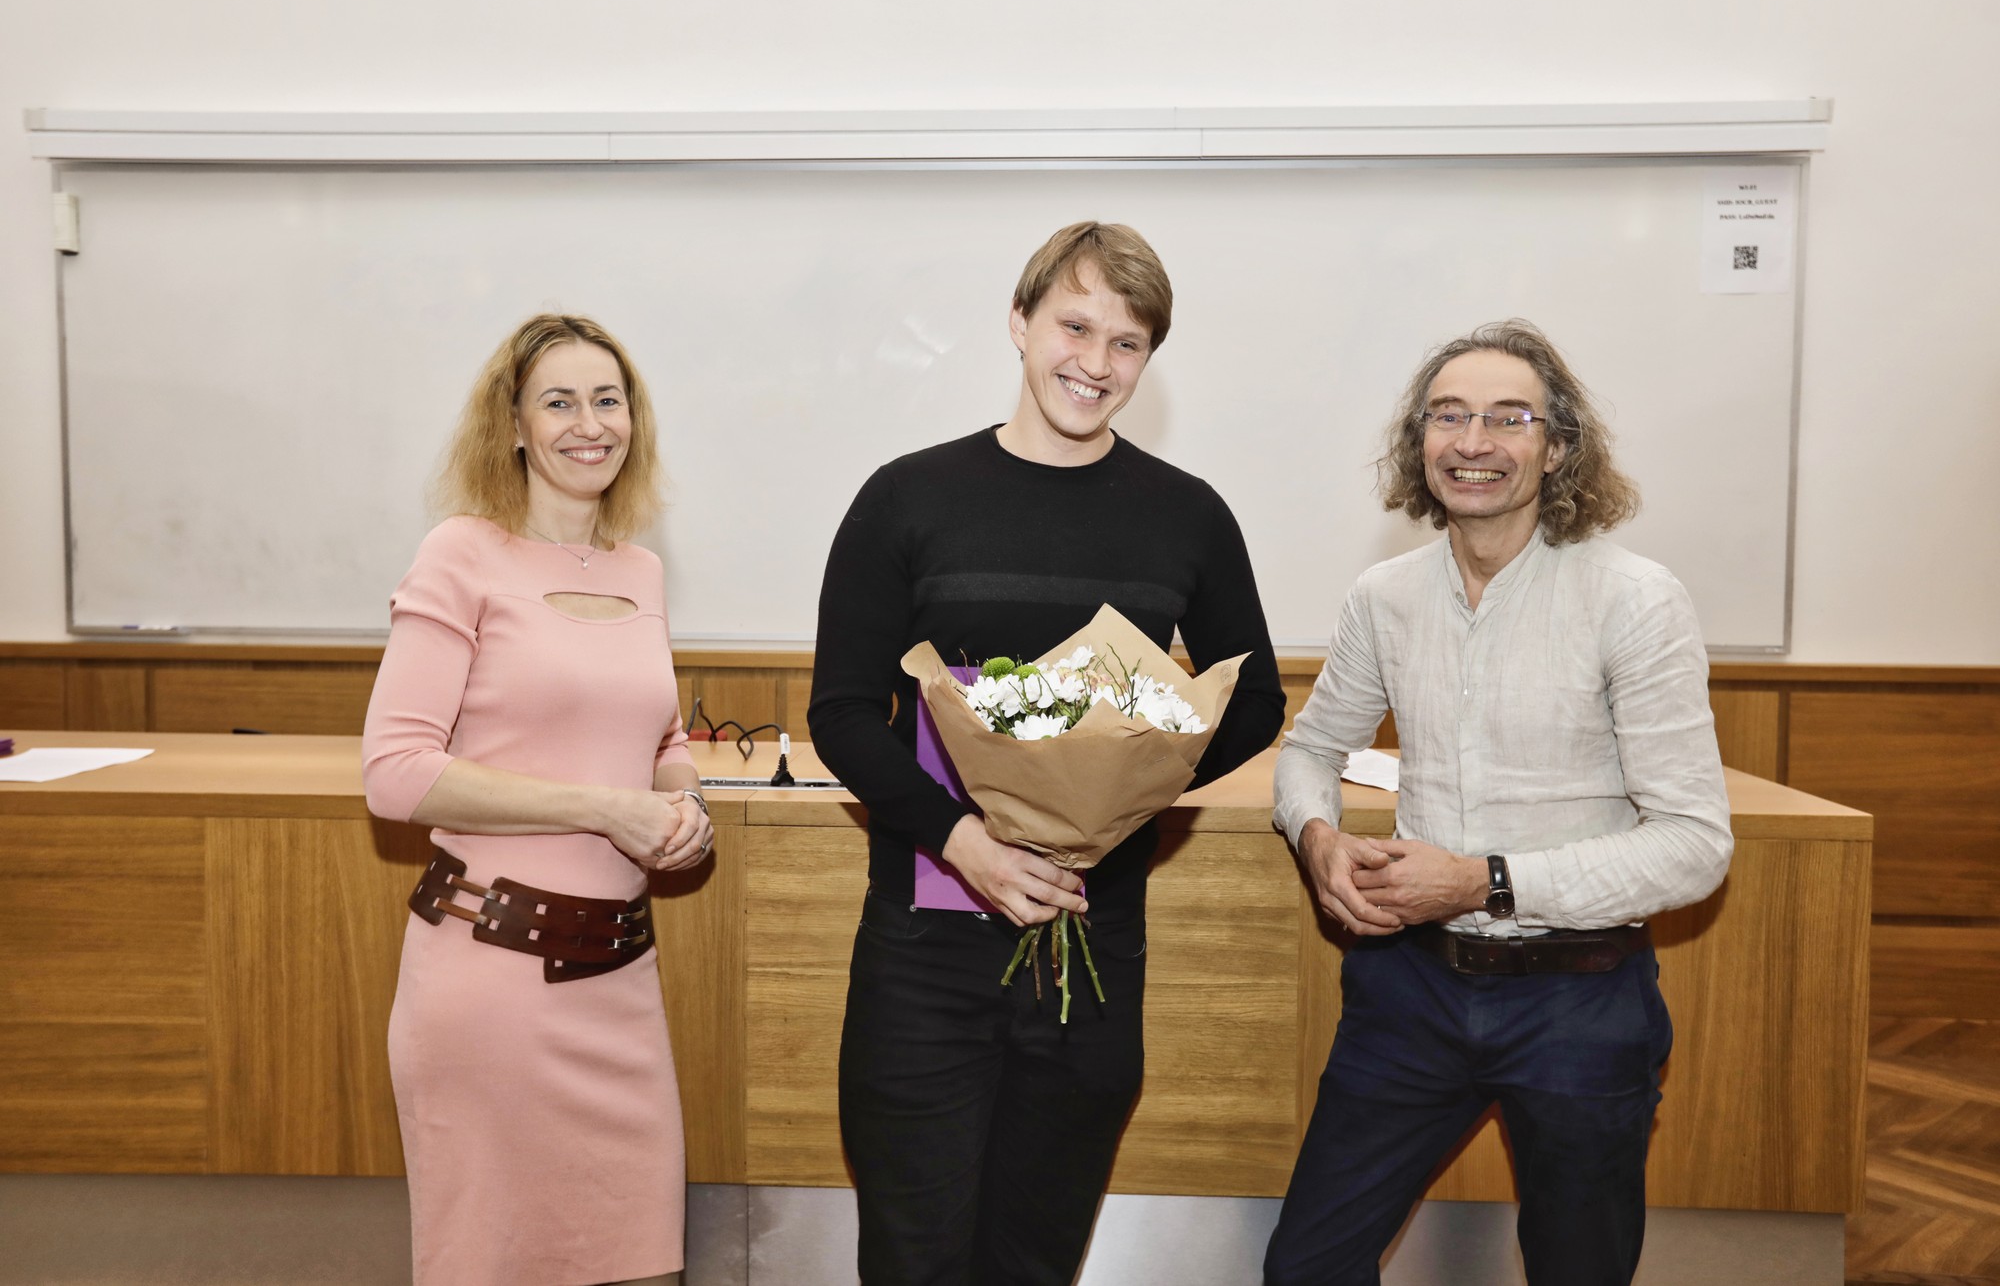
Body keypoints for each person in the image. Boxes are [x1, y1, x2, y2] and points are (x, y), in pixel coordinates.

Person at [808, 220, 1288, 1286]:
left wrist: (1118, 795)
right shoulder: (906, 496)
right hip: (921, 957)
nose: (1096, 362)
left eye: (1128, 343)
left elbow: (1251, 702)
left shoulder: (1188, 516)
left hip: (1090, 946)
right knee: (913, 1259)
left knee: (1035, 1259)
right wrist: (962, 837)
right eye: (1074, 325)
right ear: (1019, 324)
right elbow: (842, 711)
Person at [1264, 319, 1734, 1286]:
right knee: (1307, 1266)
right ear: (1420, 441)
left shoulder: (1633, 601)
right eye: (1448, 415)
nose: (1472, 441)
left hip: (1581, 999)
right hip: (1406, 992)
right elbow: (1312, 748)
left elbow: (1693, 846)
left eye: (1506, 417)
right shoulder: (1386, 597)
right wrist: (1316, 838)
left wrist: (1482, 881)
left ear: (1557, 447)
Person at [361, 314, 711, 1286]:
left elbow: (660, 739)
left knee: (639, 1266)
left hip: (617, 984)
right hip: (489, 981)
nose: (587, 423)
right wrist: (603, 810)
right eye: (557, 400)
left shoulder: (638, 569)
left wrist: (681, 805)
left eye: (608, 400)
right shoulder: (459, 554)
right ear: (512, 423)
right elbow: (394, 771)